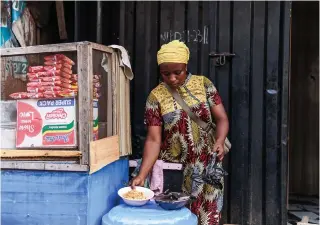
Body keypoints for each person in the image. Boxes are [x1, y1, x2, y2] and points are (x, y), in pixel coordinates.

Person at [130, 40, 229, 225]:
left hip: (206, 167)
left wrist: (220, 141)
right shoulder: (155, 97)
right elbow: (153, 140)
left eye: (178, 72)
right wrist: (142, 174)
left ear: (186, 66)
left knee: (209, 216)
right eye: (166, 74)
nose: (172, 78)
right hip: (175, 171)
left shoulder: (204, 84)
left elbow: (222, 119)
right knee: (176, 218)